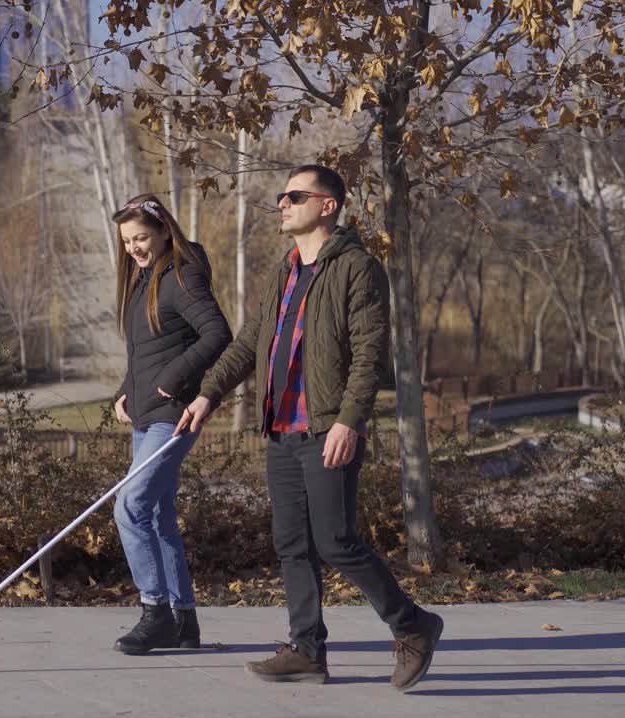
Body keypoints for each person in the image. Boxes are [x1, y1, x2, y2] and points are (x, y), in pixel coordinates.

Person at [174, 166, 445, 690]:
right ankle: (306, 649)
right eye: (282, 196)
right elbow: (250, 343)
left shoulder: (358, 270)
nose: (282, 203)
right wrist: (208, 393)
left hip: (327, 427)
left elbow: (369, 356)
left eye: (294, 196)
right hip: (282, 429)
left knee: (337, 541)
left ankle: (413, 625)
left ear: (327, 206)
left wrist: (350, 421)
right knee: (291, 542)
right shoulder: (286, 269)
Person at [109, 193, 232, 654]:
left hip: (173, 415)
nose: (134, 247)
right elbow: (147, 348)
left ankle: (155, 611)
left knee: (130, 507)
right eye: (126, 241)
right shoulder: (144, 279)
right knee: (158, 516)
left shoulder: (182, 276)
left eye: (141, 237)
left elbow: (218, 334)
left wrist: (173, 379)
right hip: (145, 414)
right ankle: (184, 622)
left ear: (163, 231)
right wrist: (125, 388)